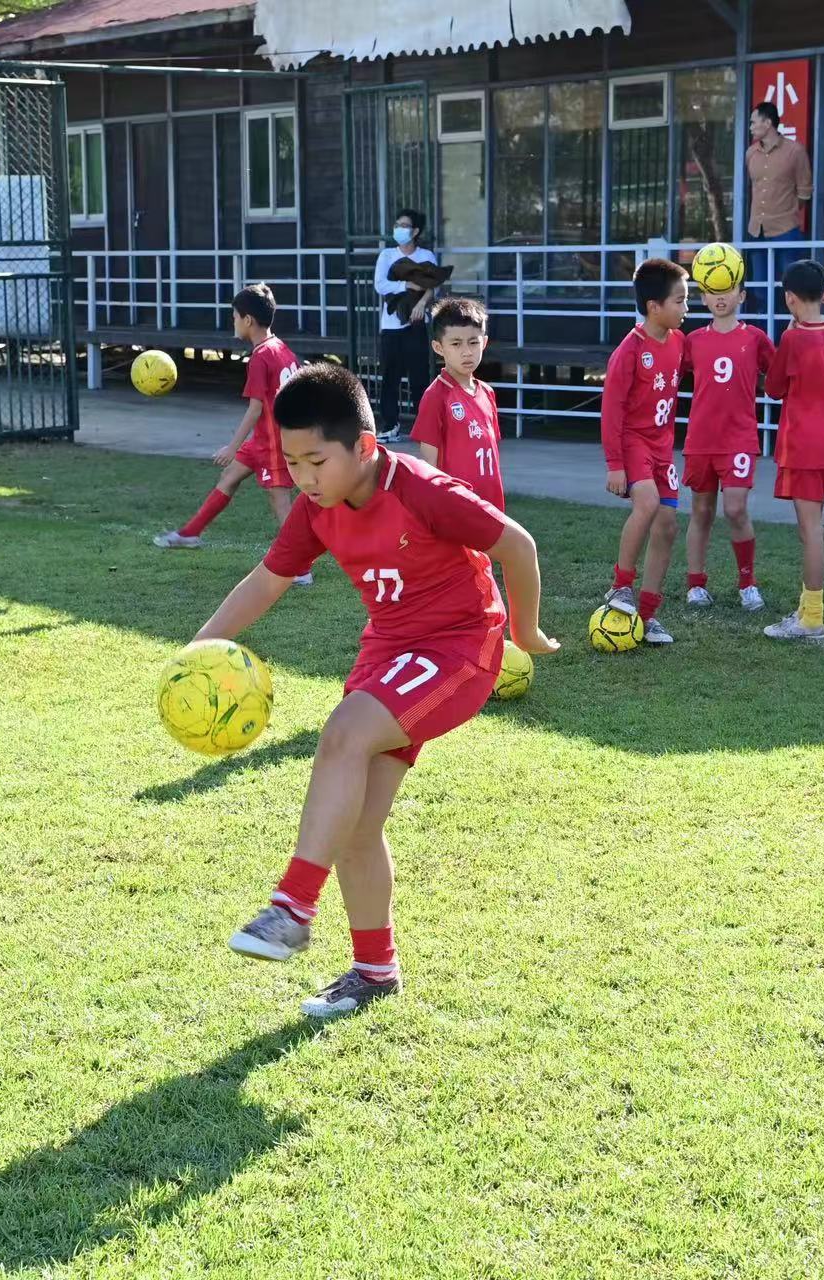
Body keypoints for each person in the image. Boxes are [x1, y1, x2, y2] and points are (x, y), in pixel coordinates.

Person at [196, 363, 557, 1017]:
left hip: (461, 647)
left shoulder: (421, 488)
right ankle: (374, 970)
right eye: (292, 463)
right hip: (388, 652)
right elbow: (265, 583)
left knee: (342, 735)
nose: (303, 478)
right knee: (358, 825)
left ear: (363, 447)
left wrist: (526, 633)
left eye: (315, 461)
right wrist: (201, 647)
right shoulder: (317, 509)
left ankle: (292, 906)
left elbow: (519, 546)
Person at [153, 285, 311, 585]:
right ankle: (190, 533)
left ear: (248, 320)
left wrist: (231, 446)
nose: (233, 322)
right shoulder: (280, 347)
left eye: (234, 316)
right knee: (229, 479)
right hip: (264, 439)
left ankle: (301, 568)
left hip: (274, 441)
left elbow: (255, 408)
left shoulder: (261, 357)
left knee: (280, 501)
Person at [600, 258, 689, 645]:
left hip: (663, 449)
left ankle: (648, 616)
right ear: (654, 306)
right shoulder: (630, 350)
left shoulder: (681, 343)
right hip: (634, 443)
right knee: (648, 504)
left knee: (668, 526)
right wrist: (615, 466)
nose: (686, 309)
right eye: (680, 301)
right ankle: (621, 586)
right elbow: (611, 410)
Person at [763, 261, 824, 643]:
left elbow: (773, 387)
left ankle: (812, 618)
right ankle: (805, 608)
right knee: (811, 527)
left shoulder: (795, 340)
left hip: (802, 446)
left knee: (810, 531)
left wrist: (786, 338)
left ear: (789, 299)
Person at [681, 272, 773, 611]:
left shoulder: (756, 338)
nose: (720, 297)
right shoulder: (692, 340)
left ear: (742, 295)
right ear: (703, 298)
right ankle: (695, 583)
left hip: (739, 438)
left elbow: (776, 377)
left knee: (735, 508)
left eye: (728, 290)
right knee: (701, 511)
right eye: (712, 292)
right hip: (701, 439)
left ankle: (747, 583)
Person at [411, 296, 503, 510]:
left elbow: (491, 451)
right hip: (455, 507)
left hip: (491, 505)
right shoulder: (436, 395)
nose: (467, 351)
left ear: (485, 342)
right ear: (438, 347)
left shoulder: (487, 393)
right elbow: (429, 464)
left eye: (473, 342)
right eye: (456, 343)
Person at [743, 100, 812, 326]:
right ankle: (766, 340)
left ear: (768, 122)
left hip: (785, 229)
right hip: (757, 229)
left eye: (754, 122)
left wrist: (785, 211)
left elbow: (804, 192)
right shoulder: (751, 153)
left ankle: (791, 336)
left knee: (790, 288)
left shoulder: (795, 151)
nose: (751, 127)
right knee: (760, 289)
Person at [373, 208, 438, 443]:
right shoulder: (387, 255)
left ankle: (425, 428)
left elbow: (431, 286)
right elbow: (380, 285)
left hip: (417, 324)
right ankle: (390, 425)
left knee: (419, 376)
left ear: (416, 231)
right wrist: (406, 285)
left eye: (404, 225)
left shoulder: (426, 256)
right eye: (397, 224)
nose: (399, 229)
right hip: (391, 325)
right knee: (390, 376)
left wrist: (421, 304)